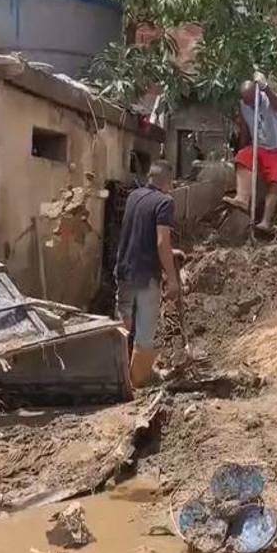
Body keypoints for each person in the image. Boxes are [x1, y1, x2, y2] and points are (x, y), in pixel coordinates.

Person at [114, 160, 180, 388]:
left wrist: (171, 252)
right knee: (145, 329)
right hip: (145, 275)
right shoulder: (165, 202)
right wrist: (171, 279)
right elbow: (161, 241)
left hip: (124, 269)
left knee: (123, 324)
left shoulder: (134, 197)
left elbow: (139, 233)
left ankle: (117, 375)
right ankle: (139, 379)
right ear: (168, 182)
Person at [223, 74, 277, 234]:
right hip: (260, 146)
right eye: (247, 101)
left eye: (251, 100)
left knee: (274, 182)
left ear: (257, 93)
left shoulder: (269, 99)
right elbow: (245, 131)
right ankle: (242, 199)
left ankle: (265, 222)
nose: (250, 105)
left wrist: (265, 87)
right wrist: (240, 149)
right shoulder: (244, 105)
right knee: (242, 157)